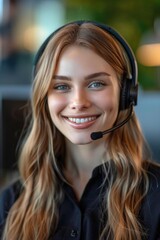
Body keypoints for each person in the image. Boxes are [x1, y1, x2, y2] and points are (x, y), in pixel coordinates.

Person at [0, 20, 160, 240]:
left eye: (96, 84)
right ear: (44, 98)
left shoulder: (156, 196)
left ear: (126, 94)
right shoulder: (12, 201)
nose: (78, 102)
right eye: (61, 86)